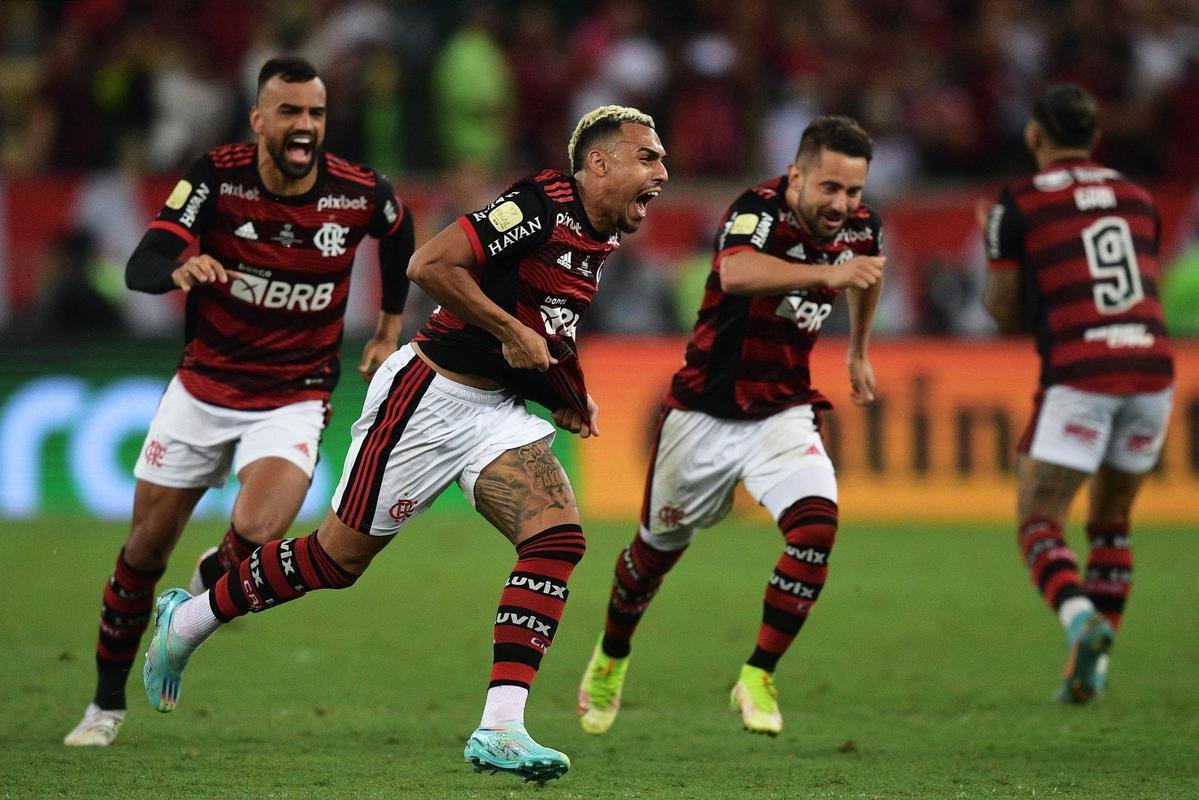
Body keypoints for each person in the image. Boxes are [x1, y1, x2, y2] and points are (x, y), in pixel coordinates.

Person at [140, 105, 667, 784]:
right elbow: (429, 264)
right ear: (600, 163)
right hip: (427, 398)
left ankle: (500, 727)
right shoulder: (535, 207)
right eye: (648, 157)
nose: (662, 170)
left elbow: (543, 328)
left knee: (557, 538)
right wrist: (509, 328)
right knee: (334, 561)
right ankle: (190, 621)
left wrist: (567, 392)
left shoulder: (601, 237)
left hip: (494, 412)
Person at [63, 56, 415, 747]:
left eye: (315, 113)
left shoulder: (357, 193)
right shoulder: (215, 177)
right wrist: (178, 268)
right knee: (142, 553)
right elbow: (142, 264)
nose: (305, 126)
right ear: (259, 119)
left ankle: (197, 598)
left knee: (258, 537)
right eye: (289, 112)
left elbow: (398, 233)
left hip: (294, 395)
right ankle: (104, 706)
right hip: (203, 388)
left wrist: (390, 325)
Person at [577, 115, 885, 737]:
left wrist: (858, 350)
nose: (843, 205)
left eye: (853, 192)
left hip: (782, 410)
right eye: (829, 188)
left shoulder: (860, 227)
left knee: (816, 526)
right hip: (702, 414)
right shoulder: (758, 209)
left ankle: (758, 674)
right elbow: (736, 274)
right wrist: (829, 274)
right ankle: (611, 654)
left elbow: (867, 270)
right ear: (797, 175)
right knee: (651, 557)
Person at [980, 83, 1174, 703]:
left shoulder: (1020, 202)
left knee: (1039, 521)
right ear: (1095, 138)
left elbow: (1005, 316)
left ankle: (1078, 618)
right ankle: (1092, 674)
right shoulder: (1141, 198)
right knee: (1112, 524)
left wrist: (997, 250)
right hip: (1152, 369)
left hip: (1083, 370)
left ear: (1036, 136)